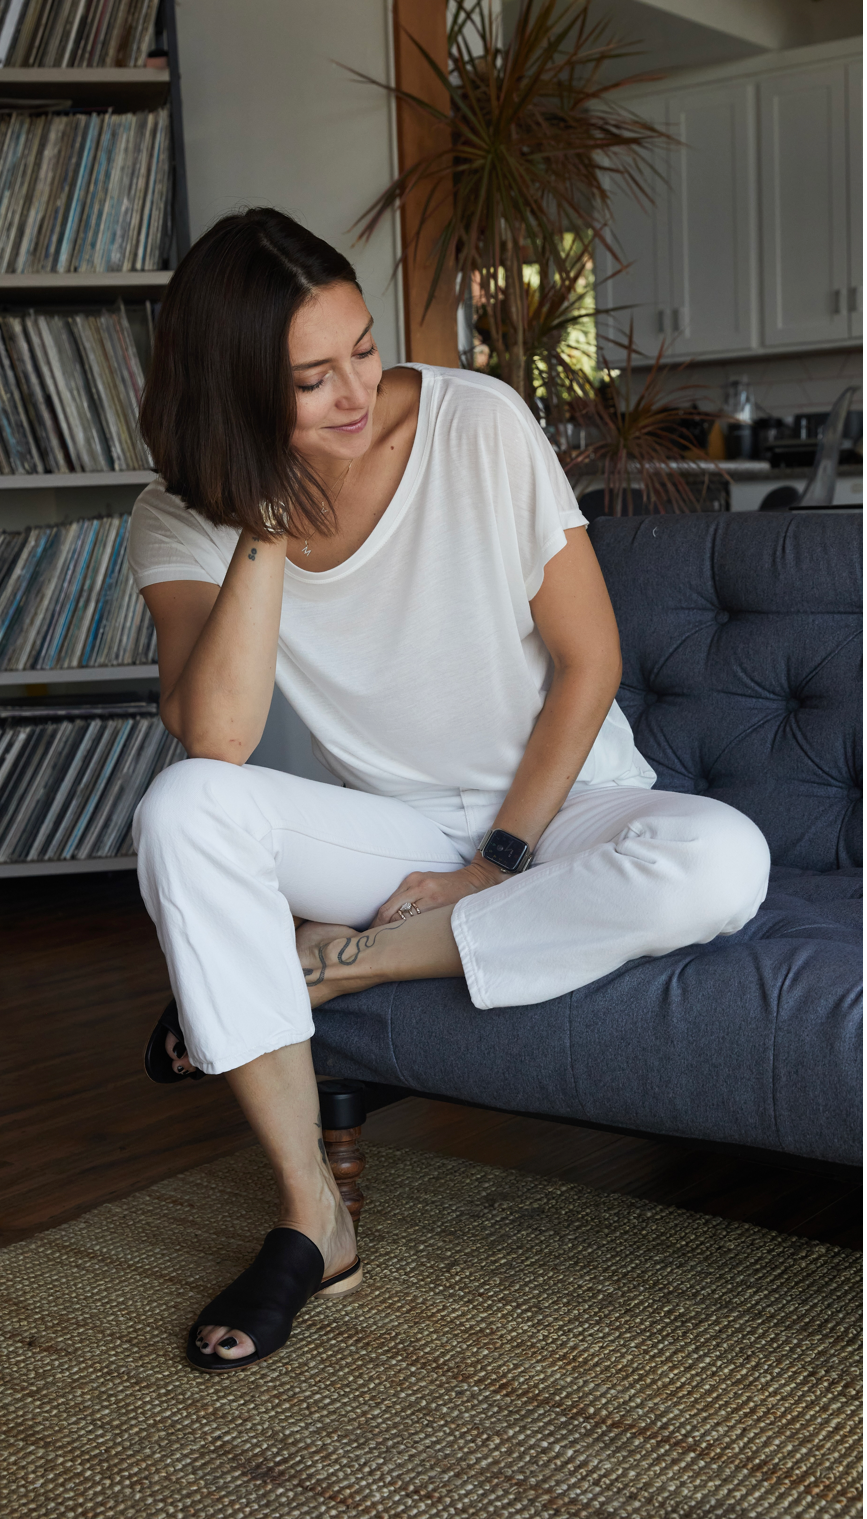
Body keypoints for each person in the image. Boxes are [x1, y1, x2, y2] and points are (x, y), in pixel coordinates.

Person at [127, 207, 769, 1373]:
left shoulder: (476, 421)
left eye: (361, 348)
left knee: (722, 858)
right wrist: (261, 517)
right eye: (310, 377)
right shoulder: (182, 515)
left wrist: (496, 861)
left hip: (565, 804)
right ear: (231, 392)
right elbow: (214, 733)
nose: (356, 390)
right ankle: (309, 1217)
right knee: (180, 809)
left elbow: (590, 664)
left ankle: (327, 966)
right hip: (384, 824)